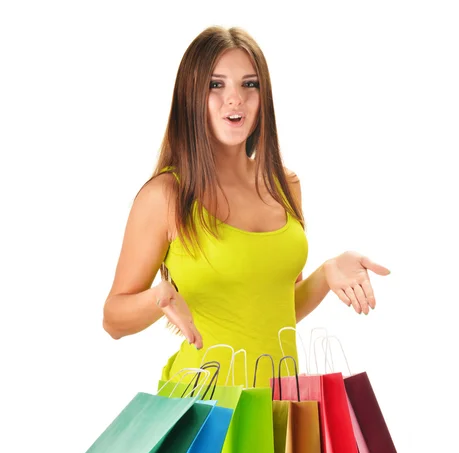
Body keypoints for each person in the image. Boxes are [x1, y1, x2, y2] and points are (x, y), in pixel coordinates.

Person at [102, 26, 391, 390]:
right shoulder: (167, 195)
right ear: (191, 96)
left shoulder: (285, 186)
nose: (235, 99)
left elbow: (275, 312)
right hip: (201, 408)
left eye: (249, 85)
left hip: (279, 406)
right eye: (216, 85)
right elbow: (112, 319)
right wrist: (157, 298)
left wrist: (327, 273)